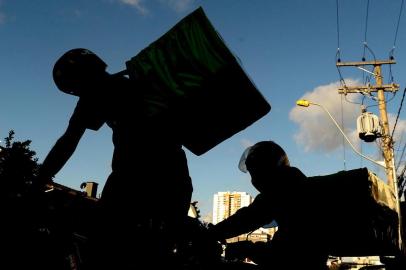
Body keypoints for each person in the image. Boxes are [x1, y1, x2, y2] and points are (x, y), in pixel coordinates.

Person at [36, 48, 193, 269]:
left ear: (78, 84)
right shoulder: (137, 81)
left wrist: (40, 177)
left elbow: (68, 141)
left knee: (105, 246)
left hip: (134, 178)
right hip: (174, 175)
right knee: (160, 249)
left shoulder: (97, 95)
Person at [207, 140, 329, 270]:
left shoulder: (282, 188)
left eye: (255, 170)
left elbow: (286, 254)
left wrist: (246, 248)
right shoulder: (295, 182)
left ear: (267, 168)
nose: (253, 179)